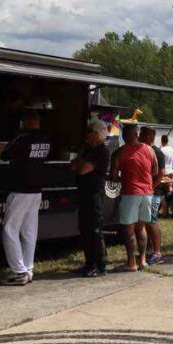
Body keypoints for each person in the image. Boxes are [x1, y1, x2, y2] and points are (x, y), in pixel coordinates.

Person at [0, 110, 51, 285]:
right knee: (29, 231)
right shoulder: (45, 139)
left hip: (20, 189)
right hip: (37, 190)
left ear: (27, 122)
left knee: (10, 229)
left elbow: (4, 154)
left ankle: (19, 272)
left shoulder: (22, 138)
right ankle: (28, 269)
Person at [109, 123, 157, 271]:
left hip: (130, 192)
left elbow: (113, 176)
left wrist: (121, 178)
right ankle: (142, 260)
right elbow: (154, 171)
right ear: (136, 134)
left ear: (124, 136)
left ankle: (131, 263)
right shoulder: (150, 150)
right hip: (147, 192)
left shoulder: (119, 152)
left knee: (128, 229)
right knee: (141, 227)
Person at [71, 119, 109, 278]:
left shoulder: (102, 151)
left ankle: (100, 264)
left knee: (94, 229)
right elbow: (73, 166)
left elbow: (83, 169)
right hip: (83, 193)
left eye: (89, 133)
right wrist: (81, 158)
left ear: (96, 134)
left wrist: (80, 163)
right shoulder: (87, 150)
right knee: (84, 228)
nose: (86, 137)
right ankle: (89, 262)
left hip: (94, 194)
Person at [139, 126, 166, 266]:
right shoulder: (142, 149)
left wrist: (151, 188)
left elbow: (161, 174)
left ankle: (157, 252)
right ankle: (149, 250)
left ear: (149, 137)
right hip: (144, 192)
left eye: (142, 134)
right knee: (145, 221)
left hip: (154, 193)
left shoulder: (157, 152)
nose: (139, 136)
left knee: (151, 220)